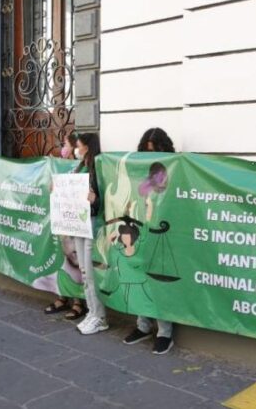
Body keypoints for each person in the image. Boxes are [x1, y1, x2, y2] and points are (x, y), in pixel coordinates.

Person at [121, 127, 176, 354]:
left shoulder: (172, 170)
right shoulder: (144, 178)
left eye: (155, 150)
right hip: (143, 233)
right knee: (141, 281)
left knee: (159, 283)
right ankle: (143, 326)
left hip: (163, 236)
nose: (149, 154)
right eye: (146, 150)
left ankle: (165, 333)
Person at [44, 131, 88, 320]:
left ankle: (79, 302)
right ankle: (62, 296)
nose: (65, 148)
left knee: (77, 261)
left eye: (68, 144)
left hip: (77, 219)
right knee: (64, 258)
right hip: (63, 216)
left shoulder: (83, 166)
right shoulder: (60, 164)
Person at [68, 133, 108, 335]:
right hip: (79, 223)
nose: (76, 149)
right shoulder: (80, 166)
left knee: (91, 273)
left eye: (79, 146)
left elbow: (105, 200)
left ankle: (100, 317)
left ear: (88, 147)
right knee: (84, 272)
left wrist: (95, 199)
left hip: (92, 223)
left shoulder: (97, 167)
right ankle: (92, 312)